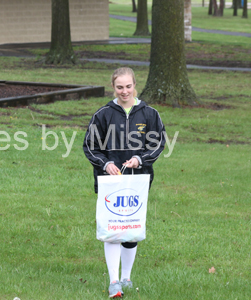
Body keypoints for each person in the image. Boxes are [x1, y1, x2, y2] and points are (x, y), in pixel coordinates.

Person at [82, 67, 166, 298]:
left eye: (128, 86)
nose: (124, 91)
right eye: (120, 87)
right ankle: (113, 282)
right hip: (110, 181)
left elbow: (158, 144)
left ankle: (127, 277)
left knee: (130, 229)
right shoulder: (103, 114)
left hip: (138, 181)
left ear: (134, 85)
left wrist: (140, 159)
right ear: (113, 87)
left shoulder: (149, 114)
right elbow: (90, 146)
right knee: (113, 229)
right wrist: (105, 164)